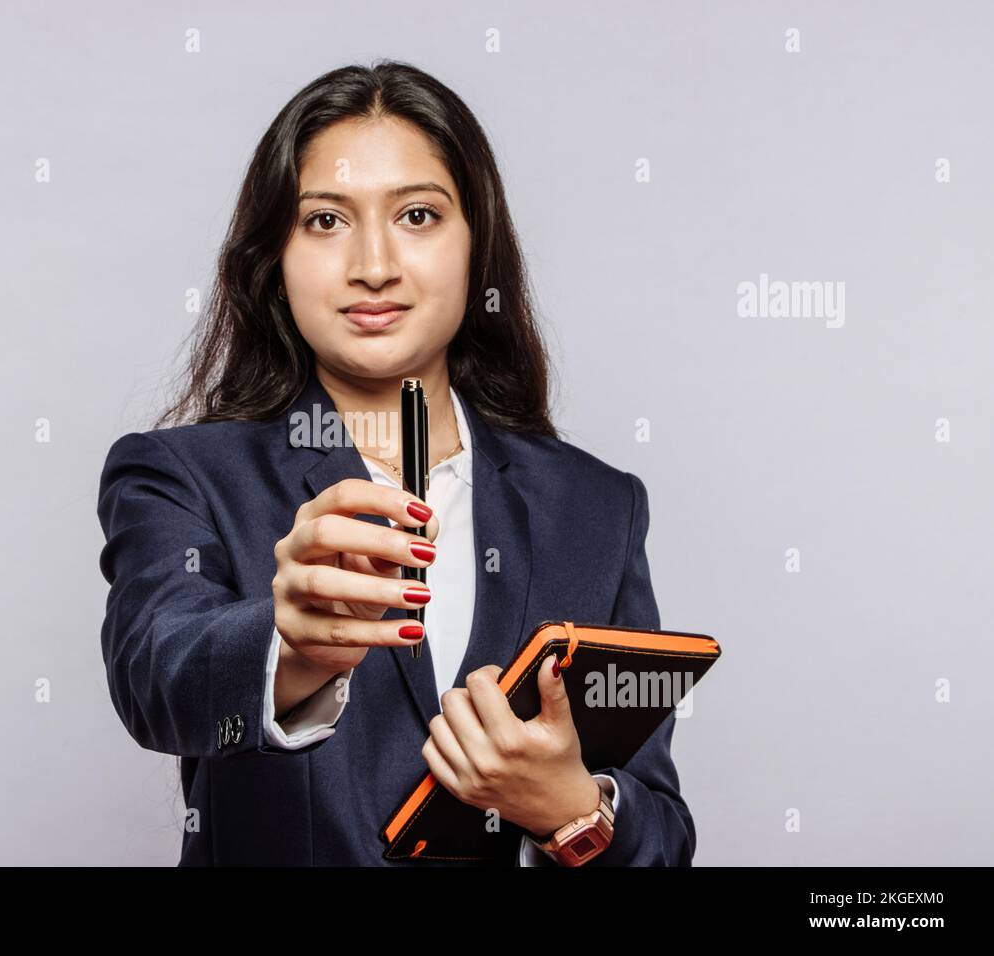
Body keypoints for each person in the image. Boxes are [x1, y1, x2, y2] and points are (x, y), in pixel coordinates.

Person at [96, 60, 694, 866]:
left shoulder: (596, 505)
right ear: (274, 254)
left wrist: (572, 810)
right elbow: (158, 681)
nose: (374, 265)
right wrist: (290, 642)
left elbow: (662, 833)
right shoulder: (181, 475)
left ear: (477, 244)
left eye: (418, 215)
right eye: (325, 221)